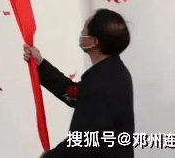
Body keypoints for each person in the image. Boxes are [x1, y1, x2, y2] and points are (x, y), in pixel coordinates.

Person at [24, 9, 134, 157]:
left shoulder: (102, 83)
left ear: (94, 42)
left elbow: (81, 144)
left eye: (85, 26)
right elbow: (74, 93)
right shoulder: (114, 72)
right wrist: (41, 65)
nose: (82, 31)